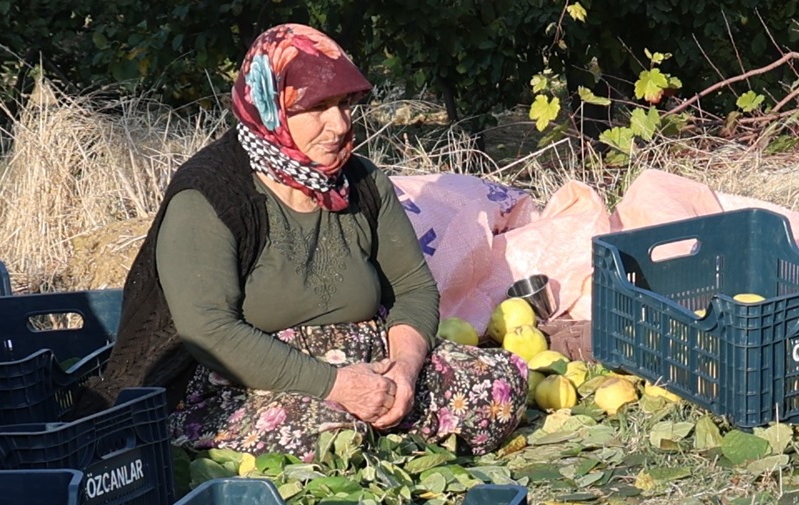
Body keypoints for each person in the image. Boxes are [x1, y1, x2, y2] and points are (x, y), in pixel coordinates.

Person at [93, 25, 525, 458]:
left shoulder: (363, 182)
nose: (338, 125)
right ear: (270, 109)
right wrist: (336, 385)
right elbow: (210, 331)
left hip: (368, 362)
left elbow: (413, 287)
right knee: (326, 435)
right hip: (243, 384)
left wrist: (405, 370)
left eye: (344, 105)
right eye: (317, 107)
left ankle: (387, 434)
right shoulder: (211, 196)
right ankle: (376, 443)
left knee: (497, 387)